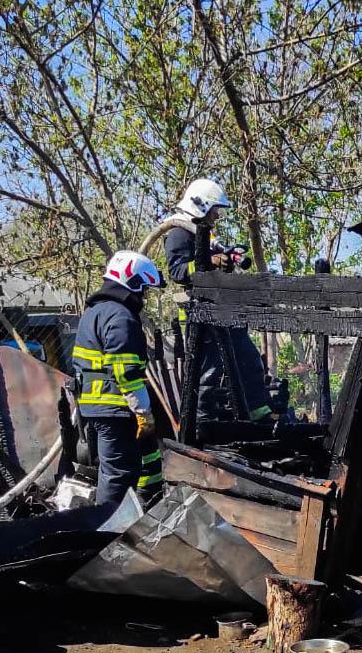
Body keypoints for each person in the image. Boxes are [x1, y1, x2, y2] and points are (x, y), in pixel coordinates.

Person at [163, 179, 273, 422]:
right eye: (214, 210)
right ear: (201, 205)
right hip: (202, 318)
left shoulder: (205, 235)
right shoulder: (178, 234)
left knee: (248, 359)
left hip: (223, 312)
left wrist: (227, 258)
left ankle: (257, 414)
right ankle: (203, 422)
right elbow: (178, 272)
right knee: (209, 372)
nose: (216, 216)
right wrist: (208, 262)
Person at [73, 251, 164, 506]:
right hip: (115, 407)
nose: (144, 296)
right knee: (119, 475)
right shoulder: (121, 316)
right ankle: (110, 532)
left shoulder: (95, 312)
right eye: (143, 288)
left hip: (98, 408)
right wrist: (143, 411)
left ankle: (120, 525)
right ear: (132, 283)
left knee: (117, 470)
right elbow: (125, 372)